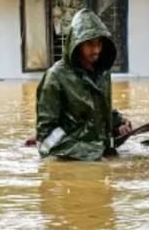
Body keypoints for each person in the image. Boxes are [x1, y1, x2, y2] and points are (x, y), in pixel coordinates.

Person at [35, 8, 133, 160]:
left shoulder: (103, 73)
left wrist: (118, 123)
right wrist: (90, 153)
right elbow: (46, 137)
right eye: (89, 44)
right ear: (76, 43)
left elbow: (99, 109)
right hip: (71, 162)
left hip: (101, 154)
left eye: (99, 43)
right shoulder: (55, 77)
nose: (96, 50)